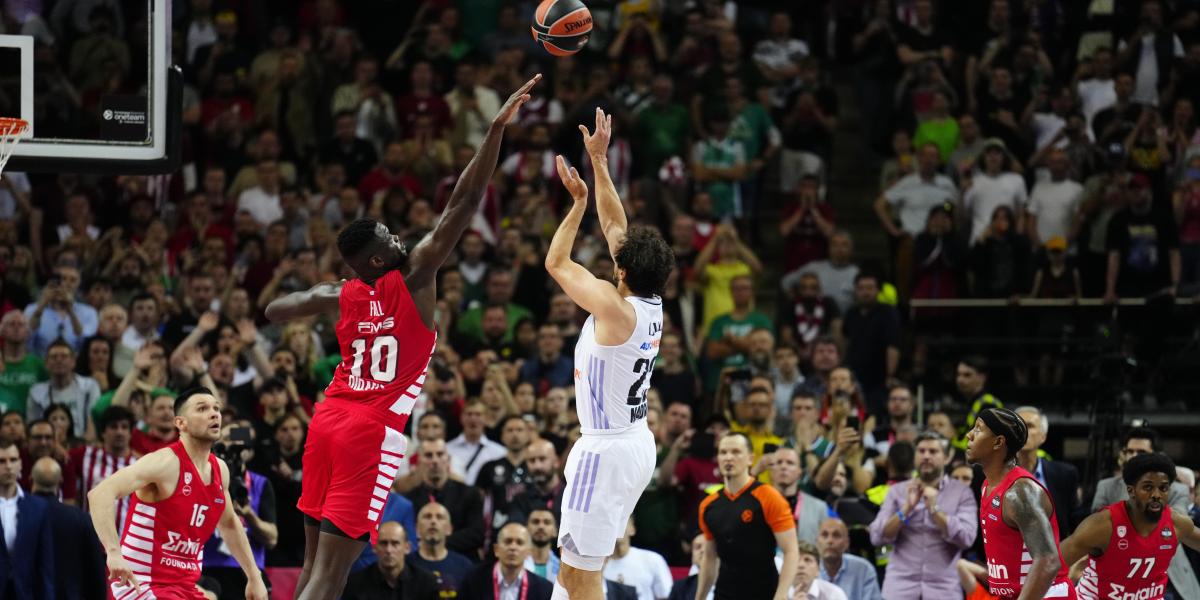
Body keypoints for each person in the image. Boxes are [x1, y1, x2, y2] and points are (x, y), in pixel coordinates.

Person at [262, 75, 541, 600]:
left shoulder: (340, 292)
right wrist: (495, 131)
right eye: (389, 239)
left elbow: (277, 309)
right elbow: (464, 201)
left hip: (327, 421)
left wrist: (336, 291)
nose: (399, 238)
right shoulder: (414, 277)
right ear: (376, 259)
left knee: (310, 566)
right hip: (370, 430)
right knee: (331, 575)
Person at [543, 107, 674, 600]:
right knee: (574, 570)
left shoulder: (615, 312)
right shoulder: (650, 299)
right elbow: (618, 224)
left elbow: (557, 262)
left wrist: (576, 202)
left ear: (620, 274)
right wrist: (599, 162)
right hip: (636, 442)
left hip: (607, 447)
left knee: (581, 575)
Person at [86, 387, 267, 600]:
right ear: (181, 423)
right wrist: (114, 552)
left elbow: (228, 523)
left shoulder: (220, 470)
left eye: (216, 408)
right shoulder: (165, 462)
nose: (214, 413)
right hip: (142, 584)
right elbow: (99, 494)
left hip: (184, 587)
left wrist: (254, 576)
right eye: (202, 408)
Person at [964, 407, 1075, 599]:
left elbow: (1048, 561)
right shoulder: (986, 485)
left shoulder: (1020, 492)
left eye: (978, 429)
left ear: (998, 442)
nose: (969, 435)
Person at [1062, 453, 1200, 600]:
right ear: (1131, 491)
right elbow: (1051, 563)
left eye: (1163, 488)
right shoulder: (1103, 525)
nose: (1156, 495)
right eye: (1148, 487)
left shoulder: (1177, 524)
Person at [1089, 427, 1199, 599]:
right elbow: (1094, 526)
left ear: (1156, 455)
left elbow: (1172, 522)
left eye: (1141, 452)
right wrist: (1134, 489)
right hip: (1120, 575)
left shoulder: (1177, 489)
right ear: (1122, 455)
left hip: (1169, 574)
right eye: (1130, 451)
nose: (1134, 456)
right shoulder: (1107, 486)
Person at [868, 431, 977, 598]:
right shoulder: (897, 492)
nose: (926, 456)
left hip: (943, 590)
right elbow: (877, 537)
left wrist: (935, 510)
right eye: (921, 451)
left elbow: (966, 539)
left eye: (933, 451)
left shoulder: (962, 493)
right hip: (899, 589)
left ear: (947, 458)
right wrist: (906, 509)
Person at [695, 433, 799, 600]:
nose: (728, 457)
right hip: (724, 593)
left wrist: (781, 595)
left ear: (750, 459)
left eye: (736, 452)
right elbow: (709, 557)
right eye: (723, 452)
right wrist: (699, 598)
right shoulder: (708, 505)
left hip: (765, 592)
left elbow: (791, 550)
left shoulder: (768, 496)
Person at [29, 456, 106, 600]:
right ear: (60, 481)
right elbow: (96, 572)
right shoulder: (80, 518)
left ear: (31, 480)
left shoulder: (20, 515)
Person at [0, 441, 55, 598]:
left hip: (26, 592)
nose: (8, 466)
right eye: (2, 461)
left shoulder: (38, 507)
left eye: (13, 460)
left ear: (21, 464)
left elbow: (45, 563)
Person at [1013, 406, 1080, 535]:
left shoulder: (1066, 475)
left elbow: (1074, 523)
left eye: (1030, 426)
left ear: (1043, 436)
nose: (1023, 430)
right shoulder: (992, 474)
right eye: (1018, 425)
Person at [343, 521, 440, 600]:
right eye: (383, 543)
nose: (389, 550)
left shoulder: (426, 584)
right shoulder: (355, 584)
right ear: (374, 547)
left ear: (407, 547)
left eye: (395, 543)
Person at [459, 523, 554, 600]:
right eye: (508, 541)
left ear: (528, 552)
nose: (513, 547)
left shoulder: (544, 589)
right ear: (496, 550)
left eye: (519, 543)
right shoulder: (473, 580)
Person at [407, 502, 475, 596]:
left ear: (449, 529)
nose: (433, 521)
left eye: (439, 517)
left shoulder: (465, 566)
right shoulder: (405, 564)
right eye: (427, 516)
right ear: (417, 529)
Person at [601, 517, 673, 600]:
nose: (616, 527)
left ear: (632, 529)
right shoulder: (595, 567)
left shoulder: (653, 560)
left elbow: (666, 596)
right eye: (611, 523)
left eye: (621, 522)